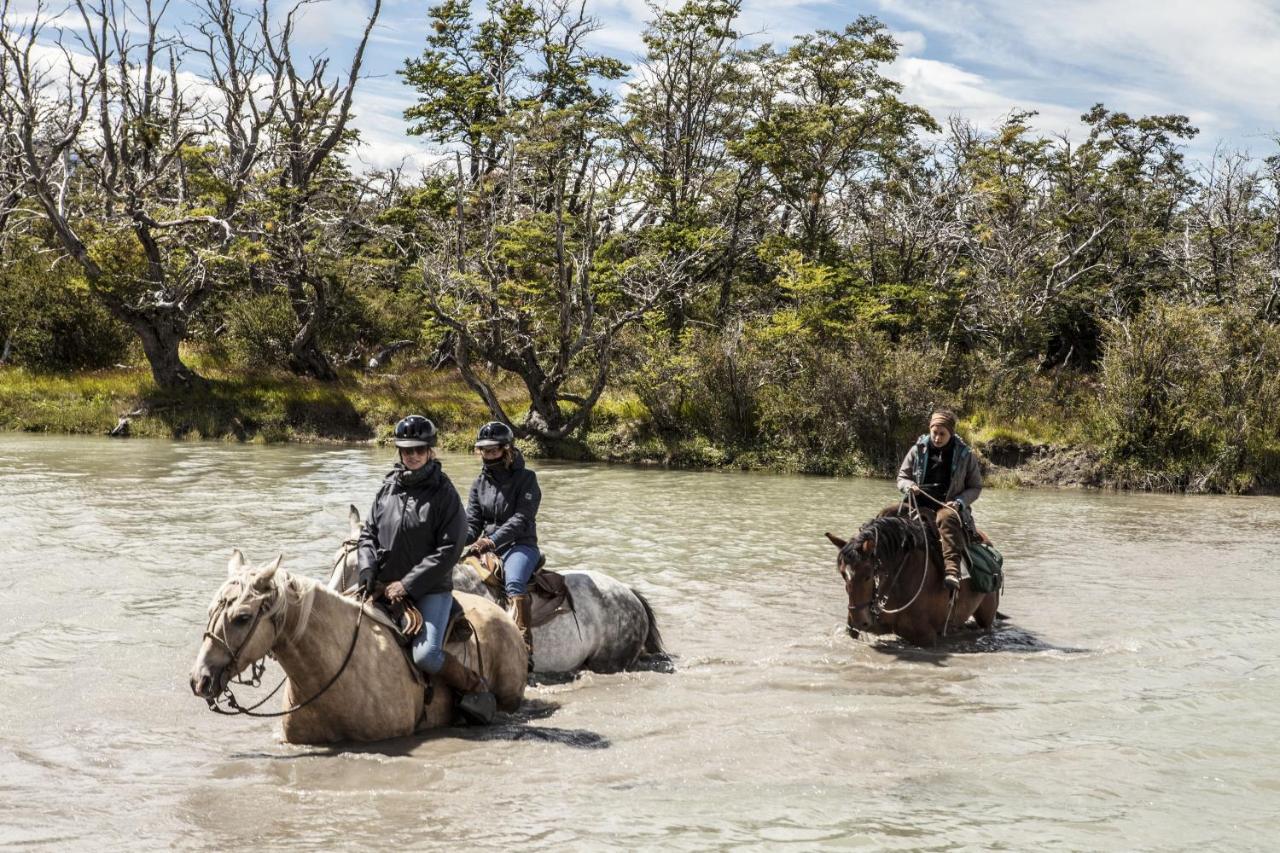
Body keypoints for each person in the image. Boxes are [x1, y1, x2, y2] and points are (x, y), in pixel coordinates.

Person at [356, 414, 496, 724]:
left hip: (430, 589)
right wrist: (366, 569)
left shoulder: (445, 494)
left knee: (425, 655)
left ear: (430, 451)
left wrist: (407, 585)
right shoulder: (387, 488)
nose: (414, 455)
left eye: (420, 449)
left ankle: (475, 687)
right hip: (382, 584)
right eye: (408, 450)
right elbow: (367, 534)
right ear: (400, 453)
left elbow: (449, 551)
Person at [464, 421, 542, 665]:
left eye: (493, 450)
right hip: (488, 547)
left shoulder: (527, 479)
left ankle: (523, 646)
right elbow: (472, 524)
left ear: (506, 450)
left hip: (521, 545)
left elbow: (522, 519)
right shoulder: (478, 484)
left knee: (515, 580)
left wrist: (491, 541)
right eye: (484, 451)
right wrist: (451, 540)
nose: (488, 455)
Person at [895, 409, 983, 592]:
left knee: (946, 519)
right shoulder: (917, 449)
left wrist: (959, 502)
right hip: (919, 502)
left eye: (942, 434)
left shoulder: (966, 455)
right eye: (934, 433)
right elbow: (902, 477)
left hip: (948, 504)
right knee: (888, 513)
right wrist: (909, 486)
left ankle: (952, 571)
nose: (937, 438)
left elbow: (975, 487)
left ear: (951, 433)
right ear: (930, 430)